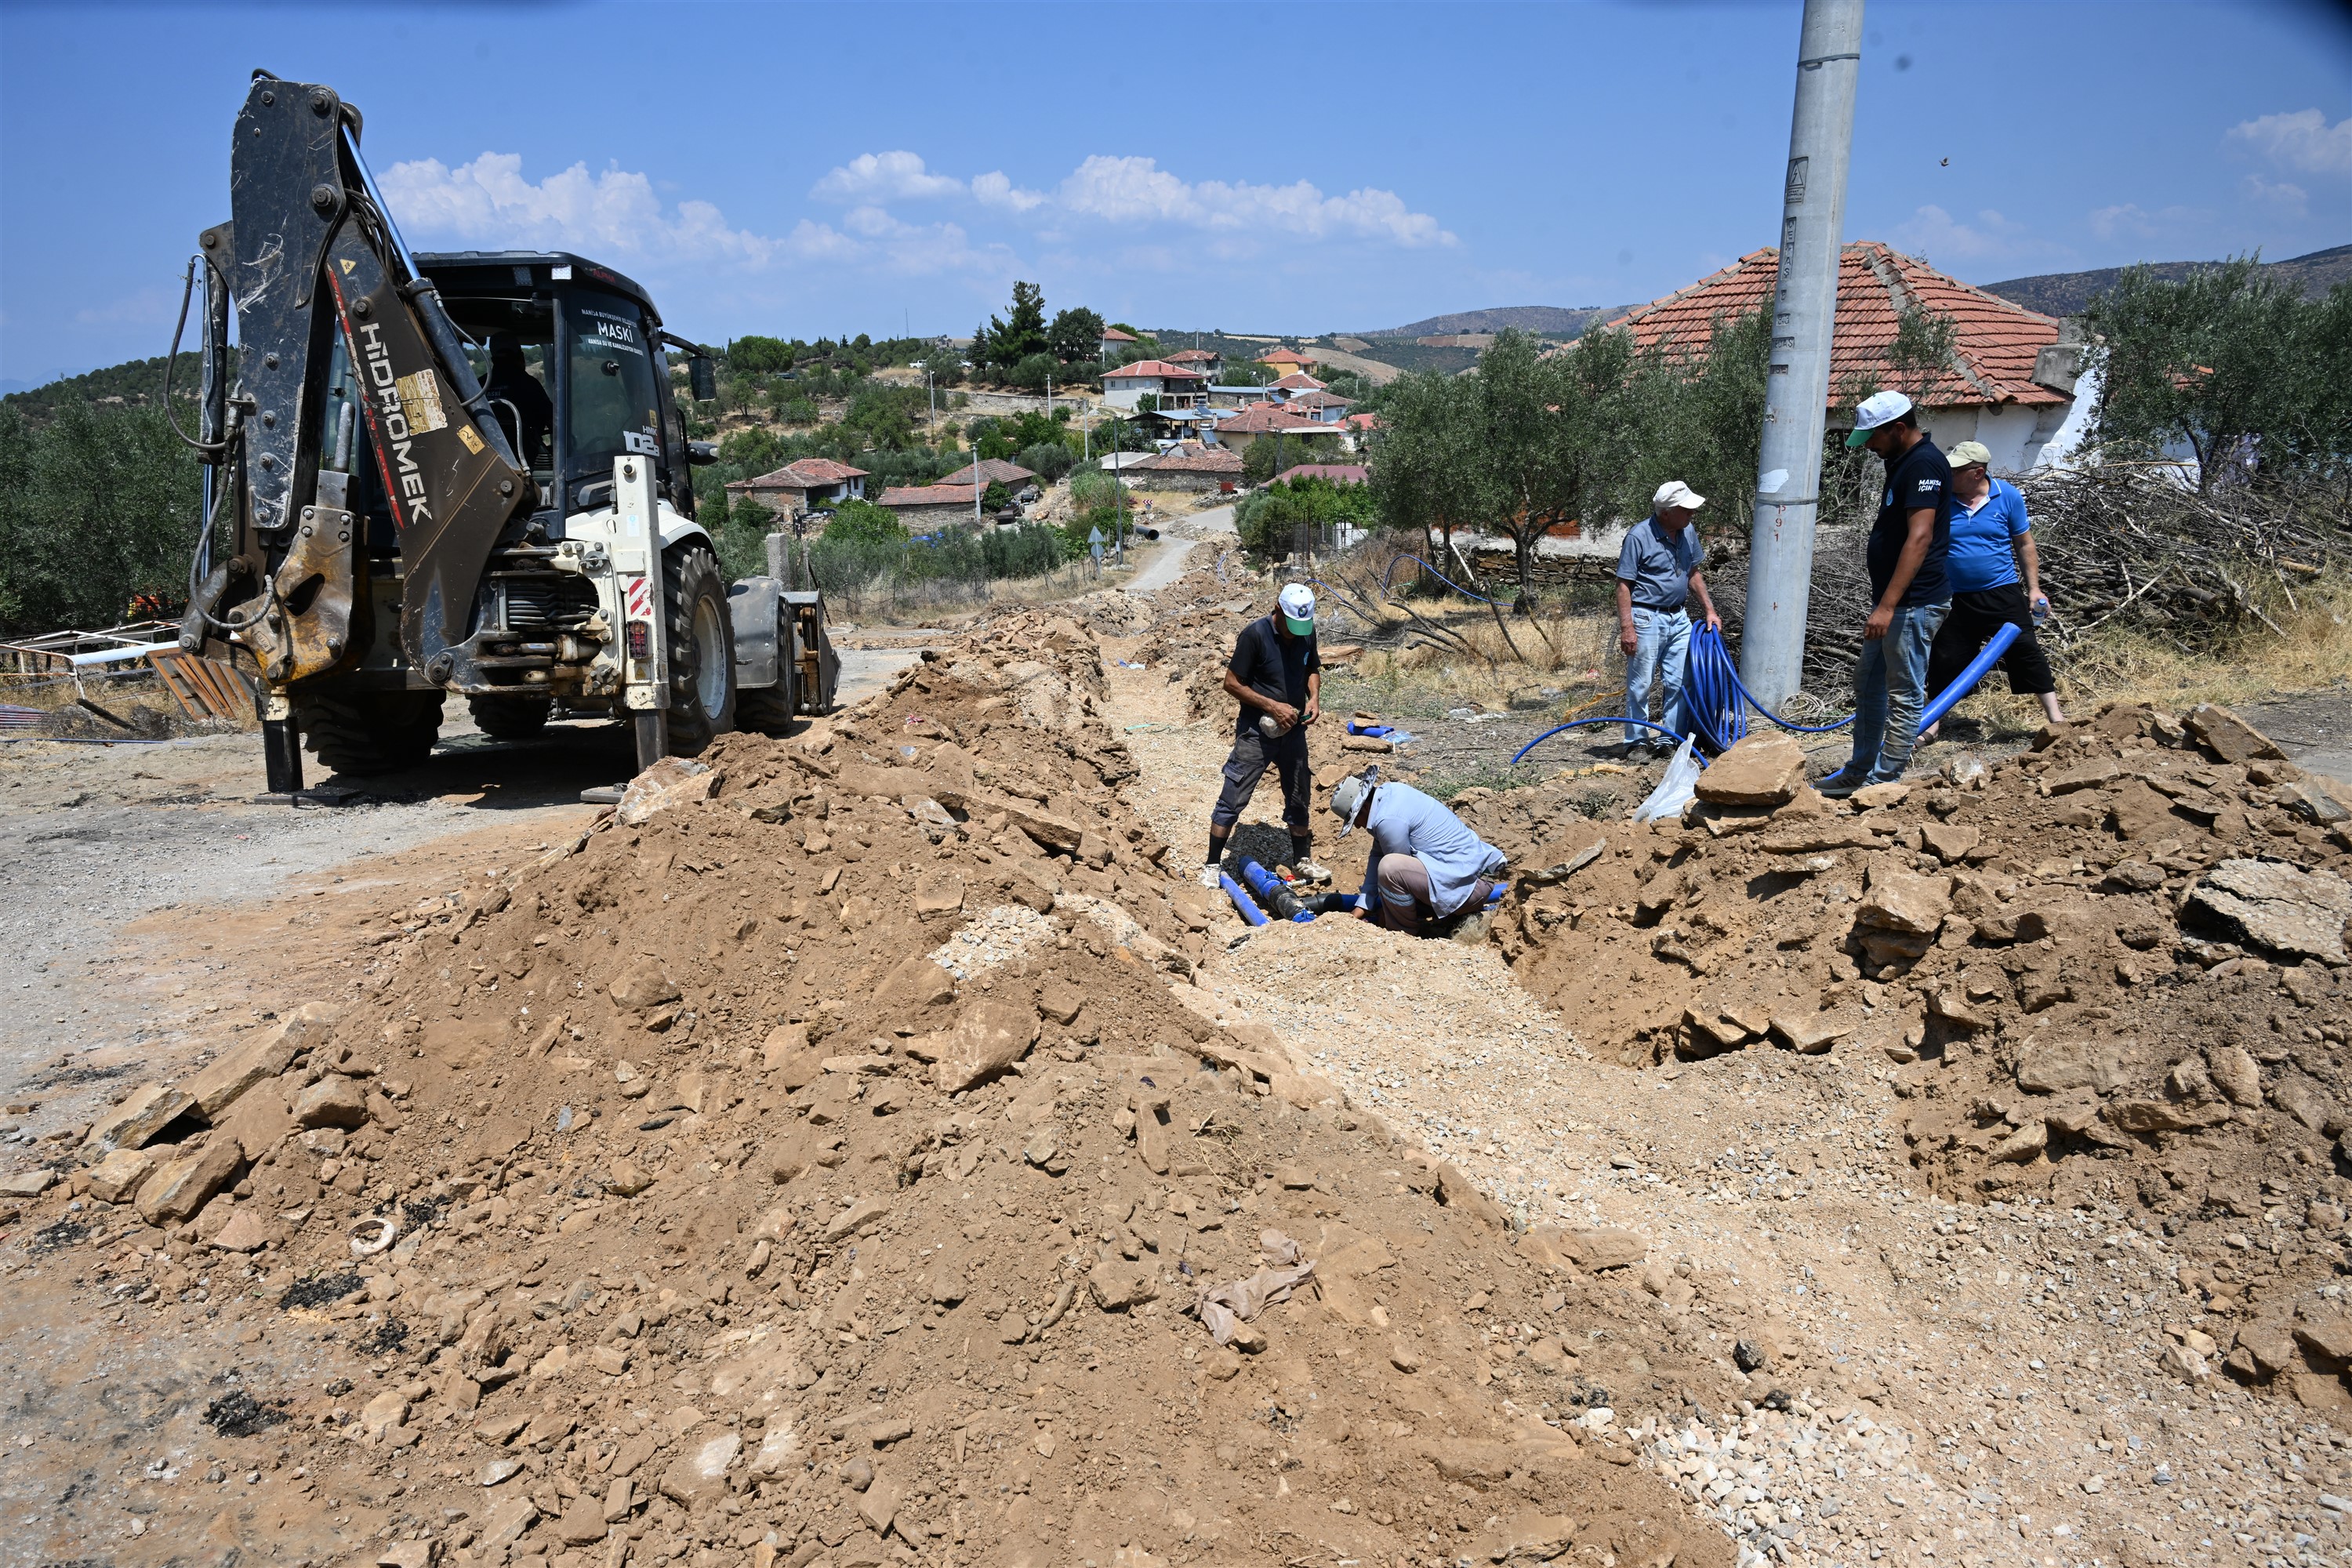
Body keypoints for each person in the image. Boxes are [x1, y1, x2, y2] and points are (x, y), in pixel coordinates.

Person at [1818, 390, 1953, 796]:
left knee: (1904, 693)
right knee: (1868, 683)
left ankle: (1883, 781)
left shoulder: (1924, 463)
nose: (1869, 446)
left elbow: (1920, 537)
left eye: (1873, 437)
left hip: (1912, 604)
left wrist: (1888, 605)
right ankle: (1859, 770)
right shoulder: (1902, 462)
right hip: (1893, 604)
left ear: (1898, 428)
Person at [1918, 441, 2065, 739]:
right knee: (1945, 659)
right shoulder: (1941, 499)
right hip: (1954, 596)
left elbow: (2024, 543)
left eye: (1955, 471)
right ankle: (1932, 725)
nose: (1948, 476)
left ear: (1977, 473)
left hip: (2001, 591)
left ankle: (2057, 719)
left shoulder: (2007, 495)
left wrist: (2034, 589)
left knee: (2026, 651)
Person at [1203, 583, 1330, 887]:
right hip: (1257, 731)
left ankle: (1302, 860)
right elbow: (1231, 683)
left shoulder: (1305, 631)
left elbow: (1312, 668)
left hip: (1294, 730)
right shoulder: (1255, 635)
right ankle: (1212, 863)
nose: (1296, 632)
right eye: (1292, 625)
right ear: (1278, 610)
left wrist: (1314, 698)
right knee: (1234, 795)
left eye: (1302, 626)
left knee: (1299, 793)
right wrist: (1272, 706)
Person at [1325, 771, 1507, 937]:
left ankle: (1402, 934)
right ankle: (1448, 917)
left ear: (1364, 808)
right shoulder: (1390, 794)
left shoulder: (1387, 819)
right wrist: (1361, 907)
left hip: (1471, 888)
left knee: (1390, 868)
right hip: (1481, 875)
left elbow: (1395, 870)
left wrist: (1388, 913)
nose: (1357, 826)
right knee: (1389, 867)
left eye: (1355, 820)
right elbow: (1377, 855)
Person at [1614, 479, 1722, 751]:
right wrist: (1627, 628)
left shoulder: (1687, 531)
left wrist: (1710, 610)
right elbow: (1623, 585)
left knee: (1679, 682)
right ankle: (1636, 743)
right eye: (1686, 509)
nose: (1692, 514)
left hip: (1679, 617)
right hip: (1646, 617)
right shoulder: (1639, 536)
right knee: (1641, 684)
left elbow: (1693, 573)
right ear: (1666, 513)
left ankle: (1668, 739)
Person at [482, 332, 554, 471]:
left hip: (488, 461)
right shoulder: (530, 384)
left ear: (493, 359)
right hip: (529, 462)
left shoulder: (478, 386)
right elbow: (553, 422)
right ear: (520, 356)